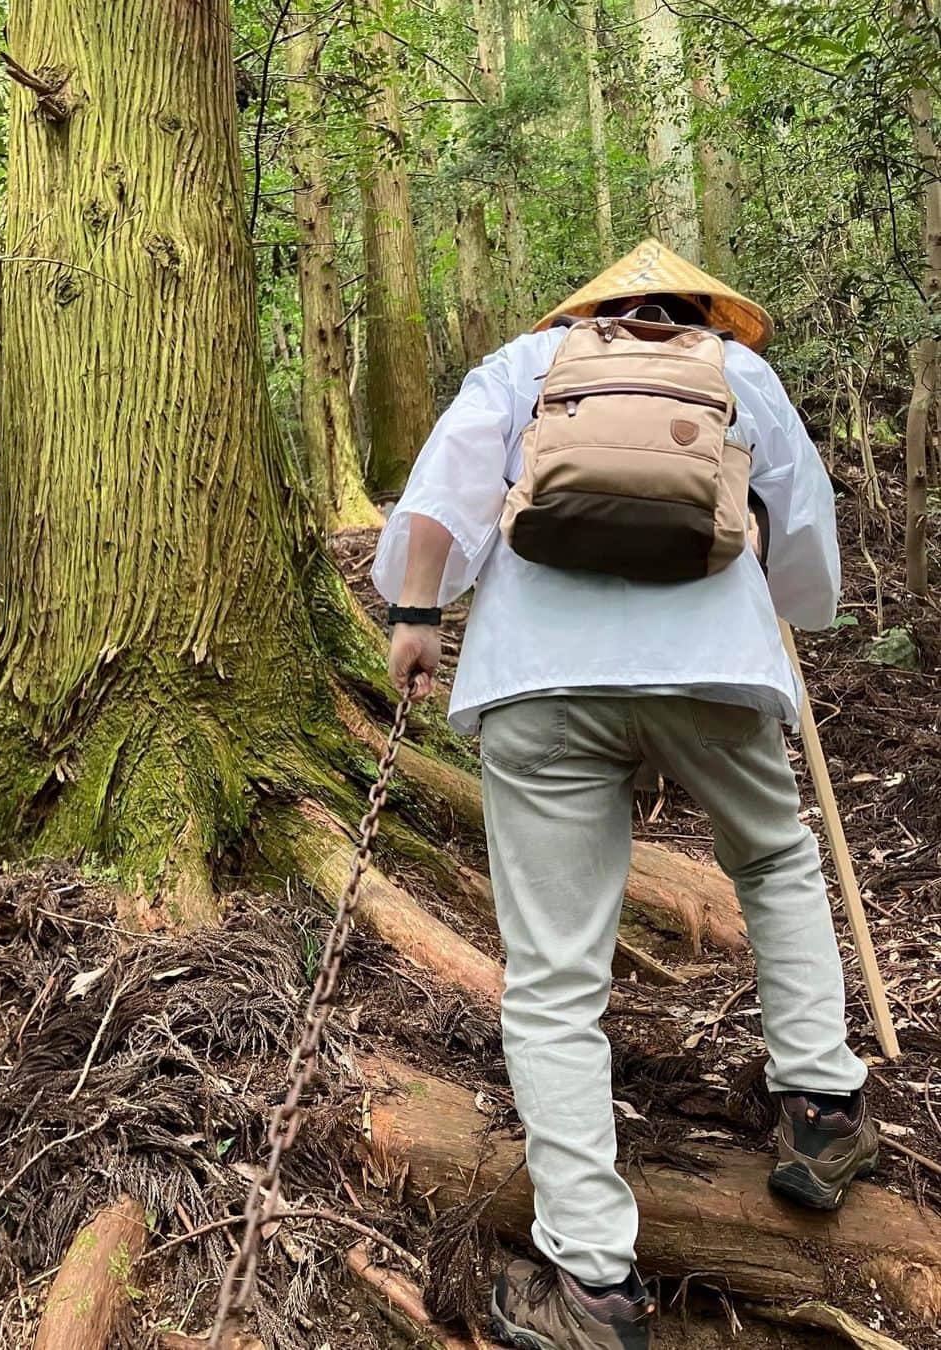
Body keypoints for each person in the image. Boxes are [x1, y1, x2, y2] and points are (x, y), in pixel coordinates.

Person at [372, 239, 878, 1350]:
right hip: (715, 669)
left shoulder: (522, 366)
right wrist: (791, 607)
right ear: (701, 310)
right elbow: (803, 548)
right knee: (775, 860)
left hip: (536, 679)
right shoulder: (739, 374)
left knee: (555, 976)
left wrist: (416, 619)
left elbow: (438, 507)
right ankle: (821, 1109)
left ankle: (592, 1285)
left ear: (590, 307)